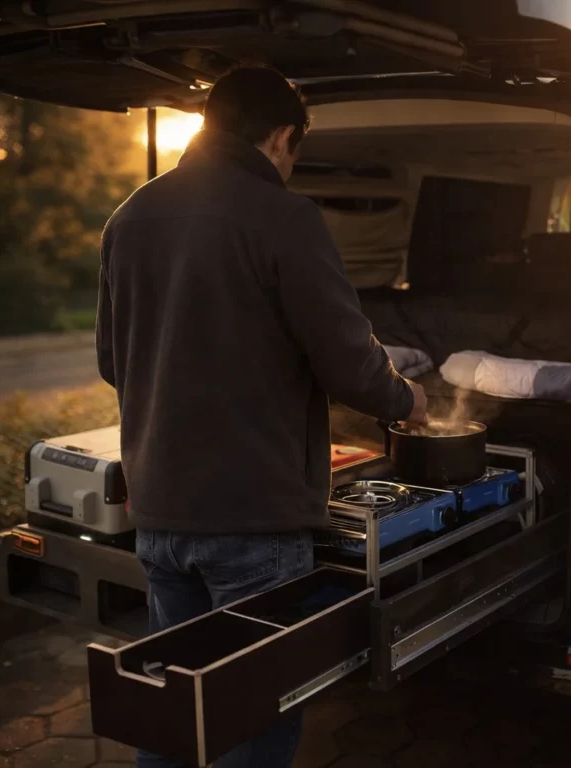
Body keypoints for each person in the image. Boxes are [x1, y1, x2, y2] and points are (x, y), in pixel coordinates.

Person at [95, 66, 427, 768]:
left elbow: (112, 361)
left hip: (159, 513)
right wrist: (405, 401)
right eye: (296, 149)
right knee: (256, 713)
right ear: (281, 136)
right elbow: (344, 357)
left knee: (176, 703)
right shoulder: (283, 217)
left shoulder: (129, 217)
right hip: (251, 521)